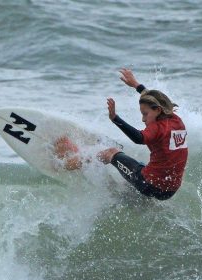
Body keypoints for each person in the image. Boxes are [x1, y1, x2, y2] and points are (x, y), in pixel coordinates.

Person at [54, 68, 188, 200]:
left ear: (158, 110)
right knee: (137, 171)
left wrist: (115, 119)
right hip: (169, 190)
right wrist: (136, 85)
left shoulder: (158, 127)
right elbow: (154, 98)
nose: (143, 119)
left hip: (150, 185)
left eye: (145, 114)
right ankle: (130, 197)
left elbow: (138, 138)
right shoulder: (175, 120)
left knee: (111, 153)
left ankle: (65, 164)